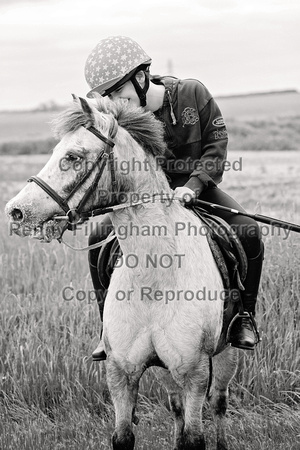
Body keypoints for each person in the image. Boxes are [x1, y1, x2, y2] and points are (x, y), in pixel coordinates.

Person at [84, 36, 264, 361]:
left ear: (140, 77)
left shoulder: (192, 93)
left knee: (249, 231)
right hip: (149, 199)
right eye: (108, 97)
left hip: (199, 189)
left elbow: (216, 147)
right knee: (98, 237)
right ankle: (106, 330)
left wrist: (193, 186)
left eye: (117, 92)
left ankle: (243, 318)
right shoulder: (123, 121)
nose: (115, 102)